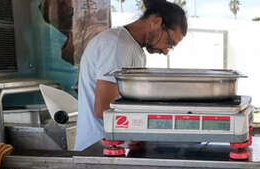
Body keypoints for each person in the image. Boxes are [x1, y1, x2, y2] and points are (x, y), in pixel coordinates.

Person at [74, 0, 187, 151]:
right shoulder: (117, 45)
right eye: (170, 42)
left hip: (115, 147)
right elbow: (105, 109)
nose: (166, 51)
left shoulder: (134, 49)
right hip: (99, 148)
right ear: (156, 21)